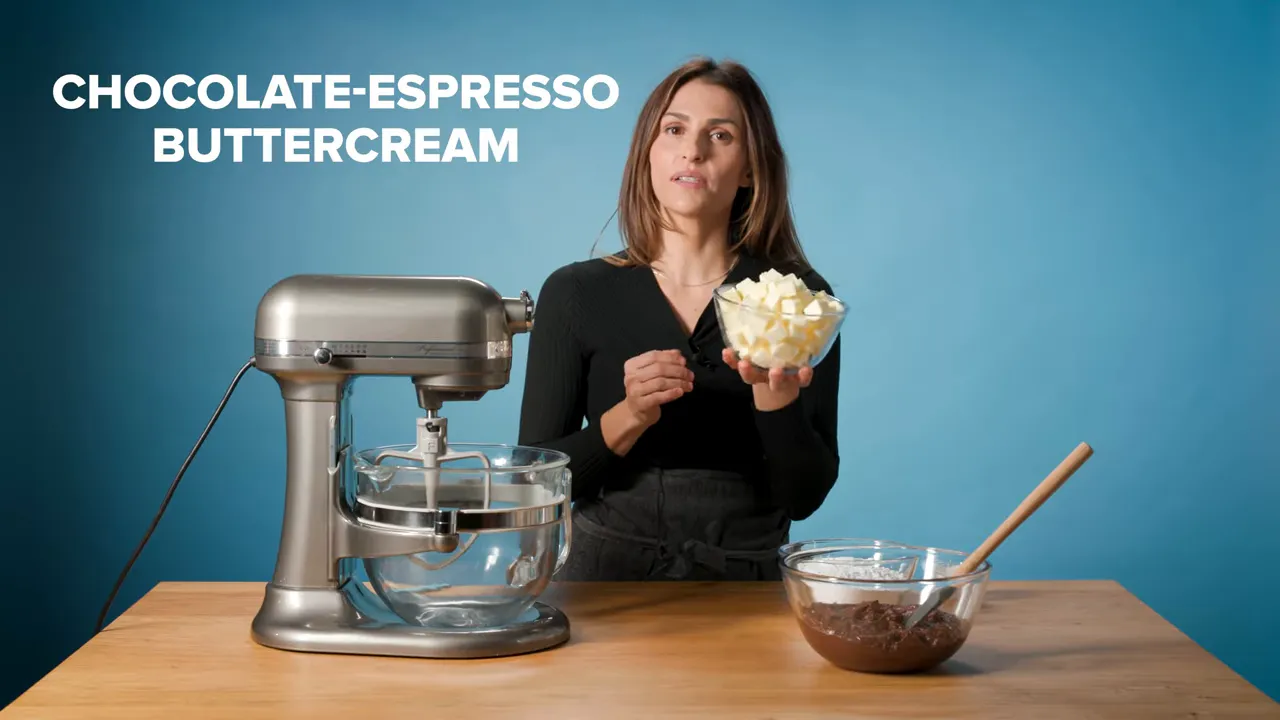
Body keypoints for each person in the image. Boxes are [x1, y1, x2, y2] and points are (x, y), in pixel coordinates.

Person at [517, 57, 841, 582]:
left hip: (747, 589)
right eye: (675, 130)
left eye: (721, 135)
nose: (693, 150)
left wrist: (777, 403)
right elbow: (532, 483)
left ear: (752, 168)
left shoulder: (798, 299)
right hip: (605, 588)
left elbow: (804, 498)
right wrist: (629, 416)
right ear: (649, 151)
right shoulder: (575, 292)